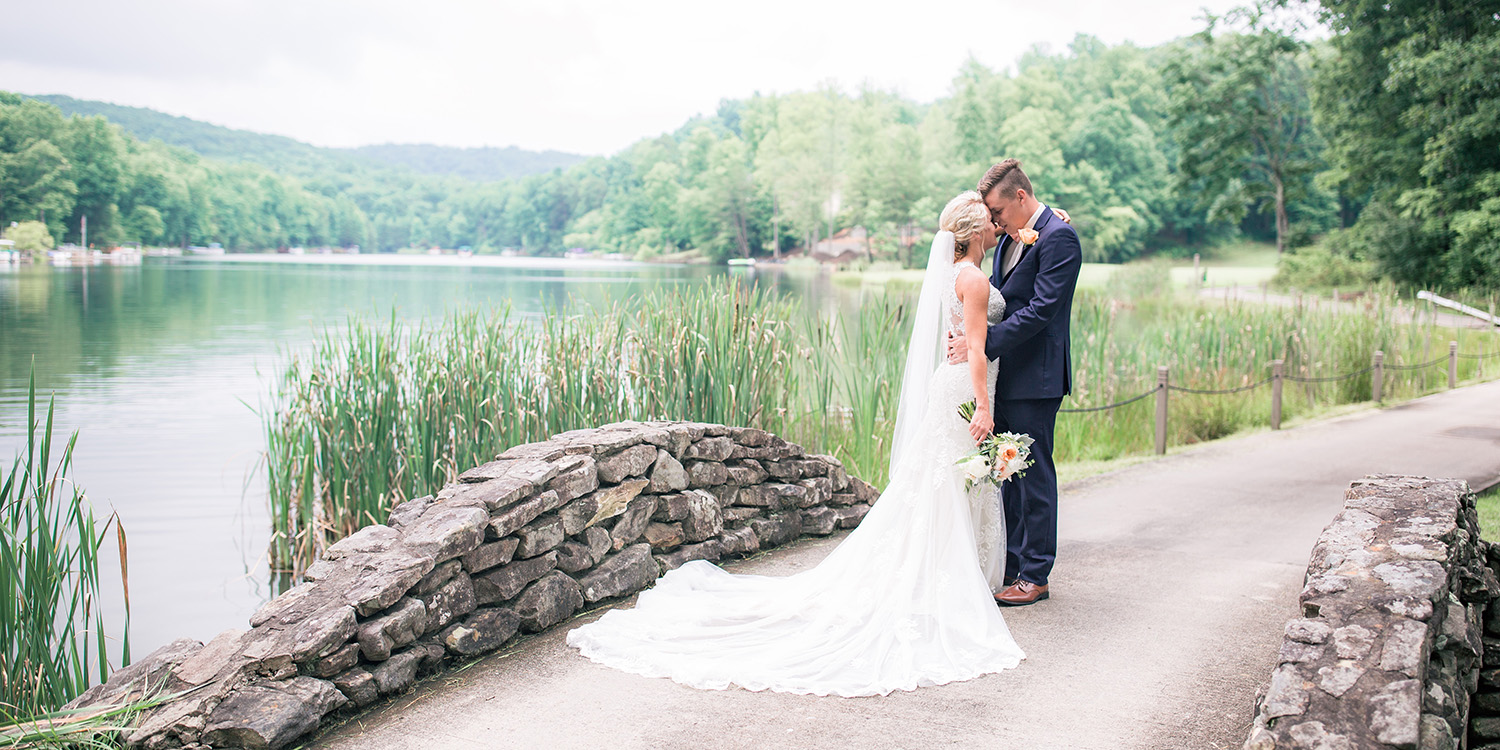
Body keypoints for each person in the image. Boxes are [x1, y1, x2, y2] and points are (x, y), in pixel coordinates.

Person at [566, 191, 1025, 696]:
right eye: (989, 220)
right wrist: (984, 407)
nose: (996, 225)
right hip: (965, 388)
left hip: (949, 383)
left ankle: (939, 576)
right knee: (952, 479)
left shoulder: (951, 273)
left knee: (944, 480)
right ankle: (949, 580)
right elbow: (977, 348)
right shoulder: (976, 279)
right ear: (972, 231)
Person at [948, 159, 1083, 607]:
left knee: (1035, 474)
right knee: (1006, 474)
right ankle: (1010, 565)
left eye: (999, 212)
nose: (995, 222)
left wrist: (979, 343)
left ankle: (1035, 574)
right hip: (1006, 375)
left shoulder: (1060, 238)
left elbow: (1041, 309)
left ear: (1021, 197)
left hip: (1036, 378)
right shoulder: (1010, 238)